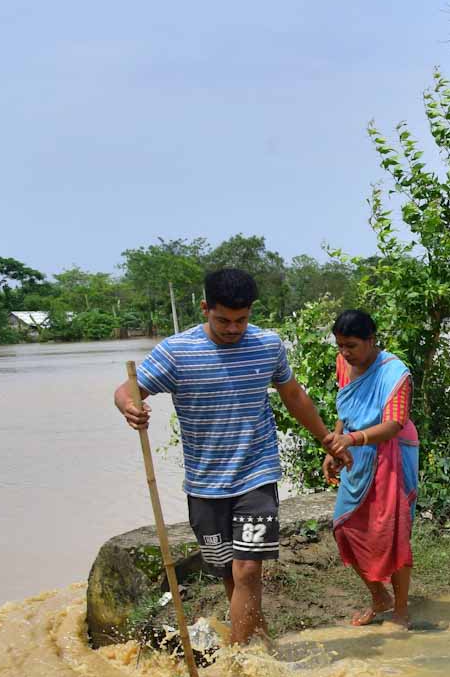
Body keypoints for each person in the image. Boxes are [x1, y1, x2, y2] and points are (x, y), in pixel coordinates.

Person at [115, 268, 344, 646]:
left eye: (242, 320)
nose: (234, 328)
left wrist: (325, 439)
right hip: (205, 485)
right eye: (224, 320)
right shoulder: (176, 352)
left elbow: (293, 395)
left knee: (249, 569)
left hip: (256, 474)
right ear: (205, 308)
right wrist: (129, 407)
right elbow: (128, 389)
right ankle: (259, 639)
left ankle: (239, 664)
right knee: (228, 572)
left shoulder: (268, 345)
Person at [322, 309, 420, 627]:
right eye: (339, 345)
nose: (345, 353)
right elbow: (345, 406)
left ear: (371, 340)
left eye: (351, 345)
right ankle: (380, 598)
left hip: (393, 453)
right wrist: (335, 444)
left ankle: (401, 609)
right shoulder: (344, 364)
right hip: (356, 450)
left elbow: (394, 424)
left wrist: (351, 440)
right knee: (344, 527)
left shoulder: (394, 373)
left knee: (394, 532)